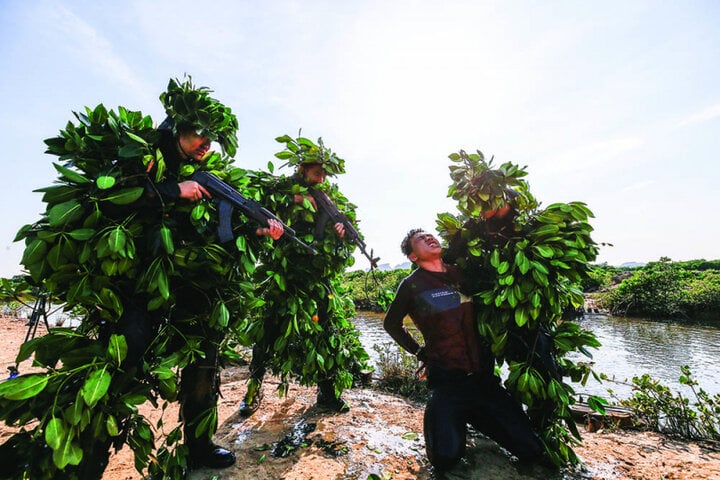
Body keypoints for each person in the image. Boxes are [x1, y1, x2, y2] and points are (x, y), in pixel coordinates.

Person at [383, 228, 547, 473]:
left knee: (531, 449)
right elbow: (390, 324)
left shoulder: (463, 273)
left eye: (429, 234)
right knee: (444, 459)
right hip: (448, 383)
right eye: (420, 239)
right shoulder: (412, 285)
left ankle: (475, 417)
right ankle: (449, 416)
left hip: (483, 380)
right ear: (413, 257)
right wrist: (419, 351)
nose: (429, 237)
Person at [238, 135, 369, 417]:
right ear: (302, 169)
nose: (321, 177)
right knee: (269, 332)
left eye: (324, 173)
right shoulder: (283, 189)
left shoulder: (330, 199)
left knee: (325, 333)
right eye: (317, 171)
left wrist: (341, 237)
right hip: (284, 272)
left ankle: (327, 394)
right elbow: (256, 199)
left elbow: (340, 250)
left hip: (316, 275)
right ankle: (253, 390)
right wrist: (296, 199)